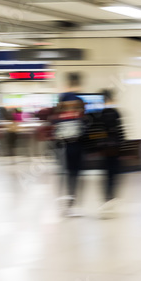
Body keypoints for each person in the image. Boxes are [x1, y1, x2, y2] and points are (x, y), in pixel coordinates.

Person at [87, 89, 128, 216]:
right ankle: (112, 196)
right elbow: (121, 132)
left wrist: (97, 147)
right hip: (115, 148)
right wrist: (121, 146)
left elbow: (97, 133)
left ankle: (106, 198)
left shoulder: (101, 114)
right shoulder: (116, 113)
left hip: (105, 150)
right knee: (114, 173)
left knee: (106, 174)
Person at [54, 73, 86, 216]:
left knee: (63, 173)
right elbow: (84, 124)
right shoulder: (79, 101)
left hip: (62, 145)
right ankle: (71, 205)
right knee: (74, 174)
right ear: (78, 83)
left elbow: (55, 122)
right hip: (76, 144)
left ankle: (62, 205)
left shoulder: (60, 101)